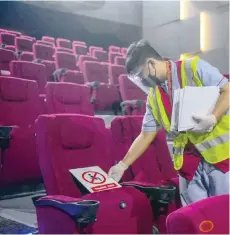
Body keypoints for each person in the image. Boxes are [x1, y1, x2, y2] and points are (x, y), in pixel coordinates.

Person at [108, 39, 229, 206]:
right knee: (195, 221)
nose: (142, 81)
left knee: (223, 216)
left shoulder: (193, 67)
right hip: (189, 164)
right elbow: (146, 134)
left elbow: (227, 90)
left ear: (150, 63)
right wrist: (122, 165)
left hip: (220, 159)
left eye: (141, 75)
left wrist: (213, 117)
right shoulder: (154, 96)